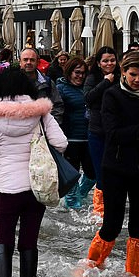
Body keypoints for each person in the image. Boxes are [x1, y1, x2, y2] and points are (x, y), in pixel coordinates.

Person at [0, 66, 67, 277]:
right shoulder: (41, 113)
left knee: (3, 240)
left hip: (6, 188)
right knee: (29, 241)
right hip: (35, 187)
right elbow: (61, 143)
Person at [80, 51, 139, 277]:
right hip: (116, 169)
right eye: (133, 75)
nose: (137, 79)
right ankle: (91, 265)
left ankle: (134, 273)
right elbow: (113, 134)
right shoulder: (112, 95)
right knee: (112, 225)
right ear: (123, 72)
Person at [83, 45, 119, 218]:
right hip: (97, 131)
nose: (109, 63)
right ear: (98, 63)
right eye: (105, 60)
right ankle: (100, 212)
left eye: (112, 60)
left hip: (117, 132)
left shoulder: (123, 77)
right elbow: (88, 98)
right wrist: (106, 82)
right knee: (101, 173)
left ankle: (114, 206)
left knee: (117, 172)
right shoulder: (92, 78)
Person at [56, 57, 95, 210]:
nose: (80, 76)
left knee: (93, 174)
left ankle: (81, 195)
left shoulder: (88, 88)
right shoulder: (61, 88)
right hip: (70, 139)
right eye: (77, 72)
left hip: (89, 138)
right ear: (69, 72)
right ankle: (72, 207)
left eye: (83, 73)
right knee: (71, 175)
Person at [19, 48, 64, 126]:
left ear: (38, 62)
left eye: (32, 60)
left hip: (43, 131)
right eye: (25, 60)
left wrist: (50, 126)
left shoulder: (47, 83)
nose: (29, 62)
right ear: (20, 62)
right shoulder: (11, 83)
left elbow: (57, 105)